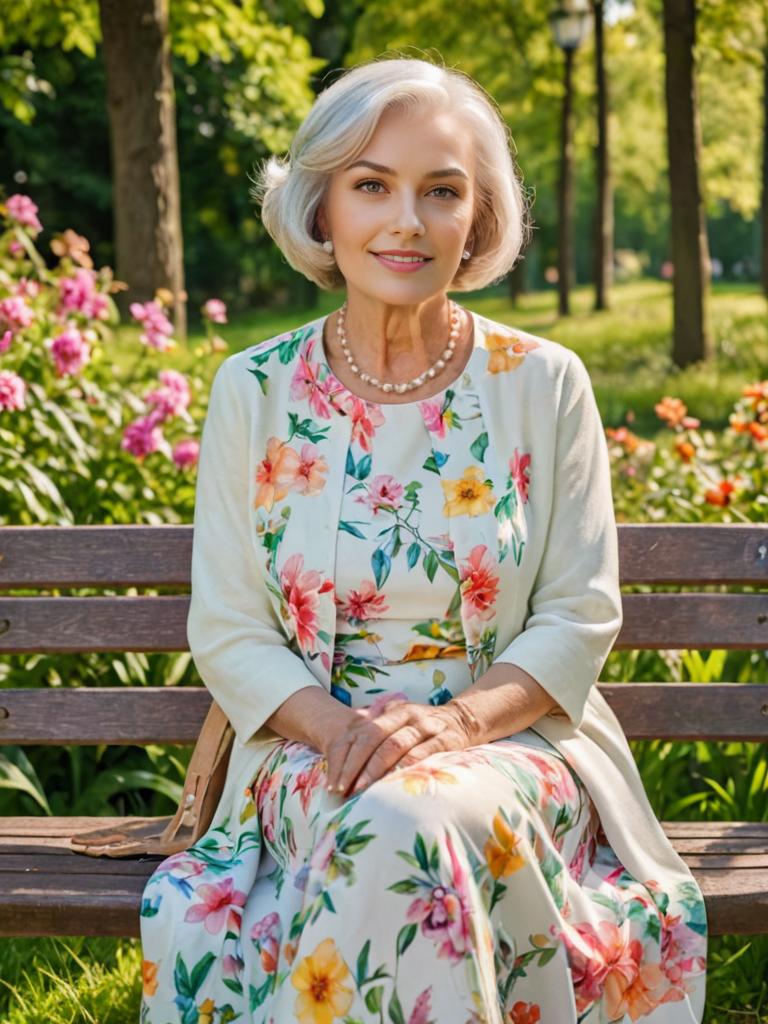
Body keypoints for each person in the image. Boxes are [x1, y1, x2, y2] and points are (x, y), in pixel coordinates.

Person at [139, 56, 707, 1024]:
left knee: (411, 819)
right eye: (372, 186)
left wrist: (452, 726)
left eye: (441, 191)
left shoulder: (544, 382)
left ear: (477, 220)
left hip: (512, 748)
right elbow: (231, 627)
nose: (407, 220)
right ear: (323, 209)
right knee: (391, 818)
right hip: (309, 750)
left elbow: (579, 611)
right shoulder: (256, 387)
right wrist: (344, 732)